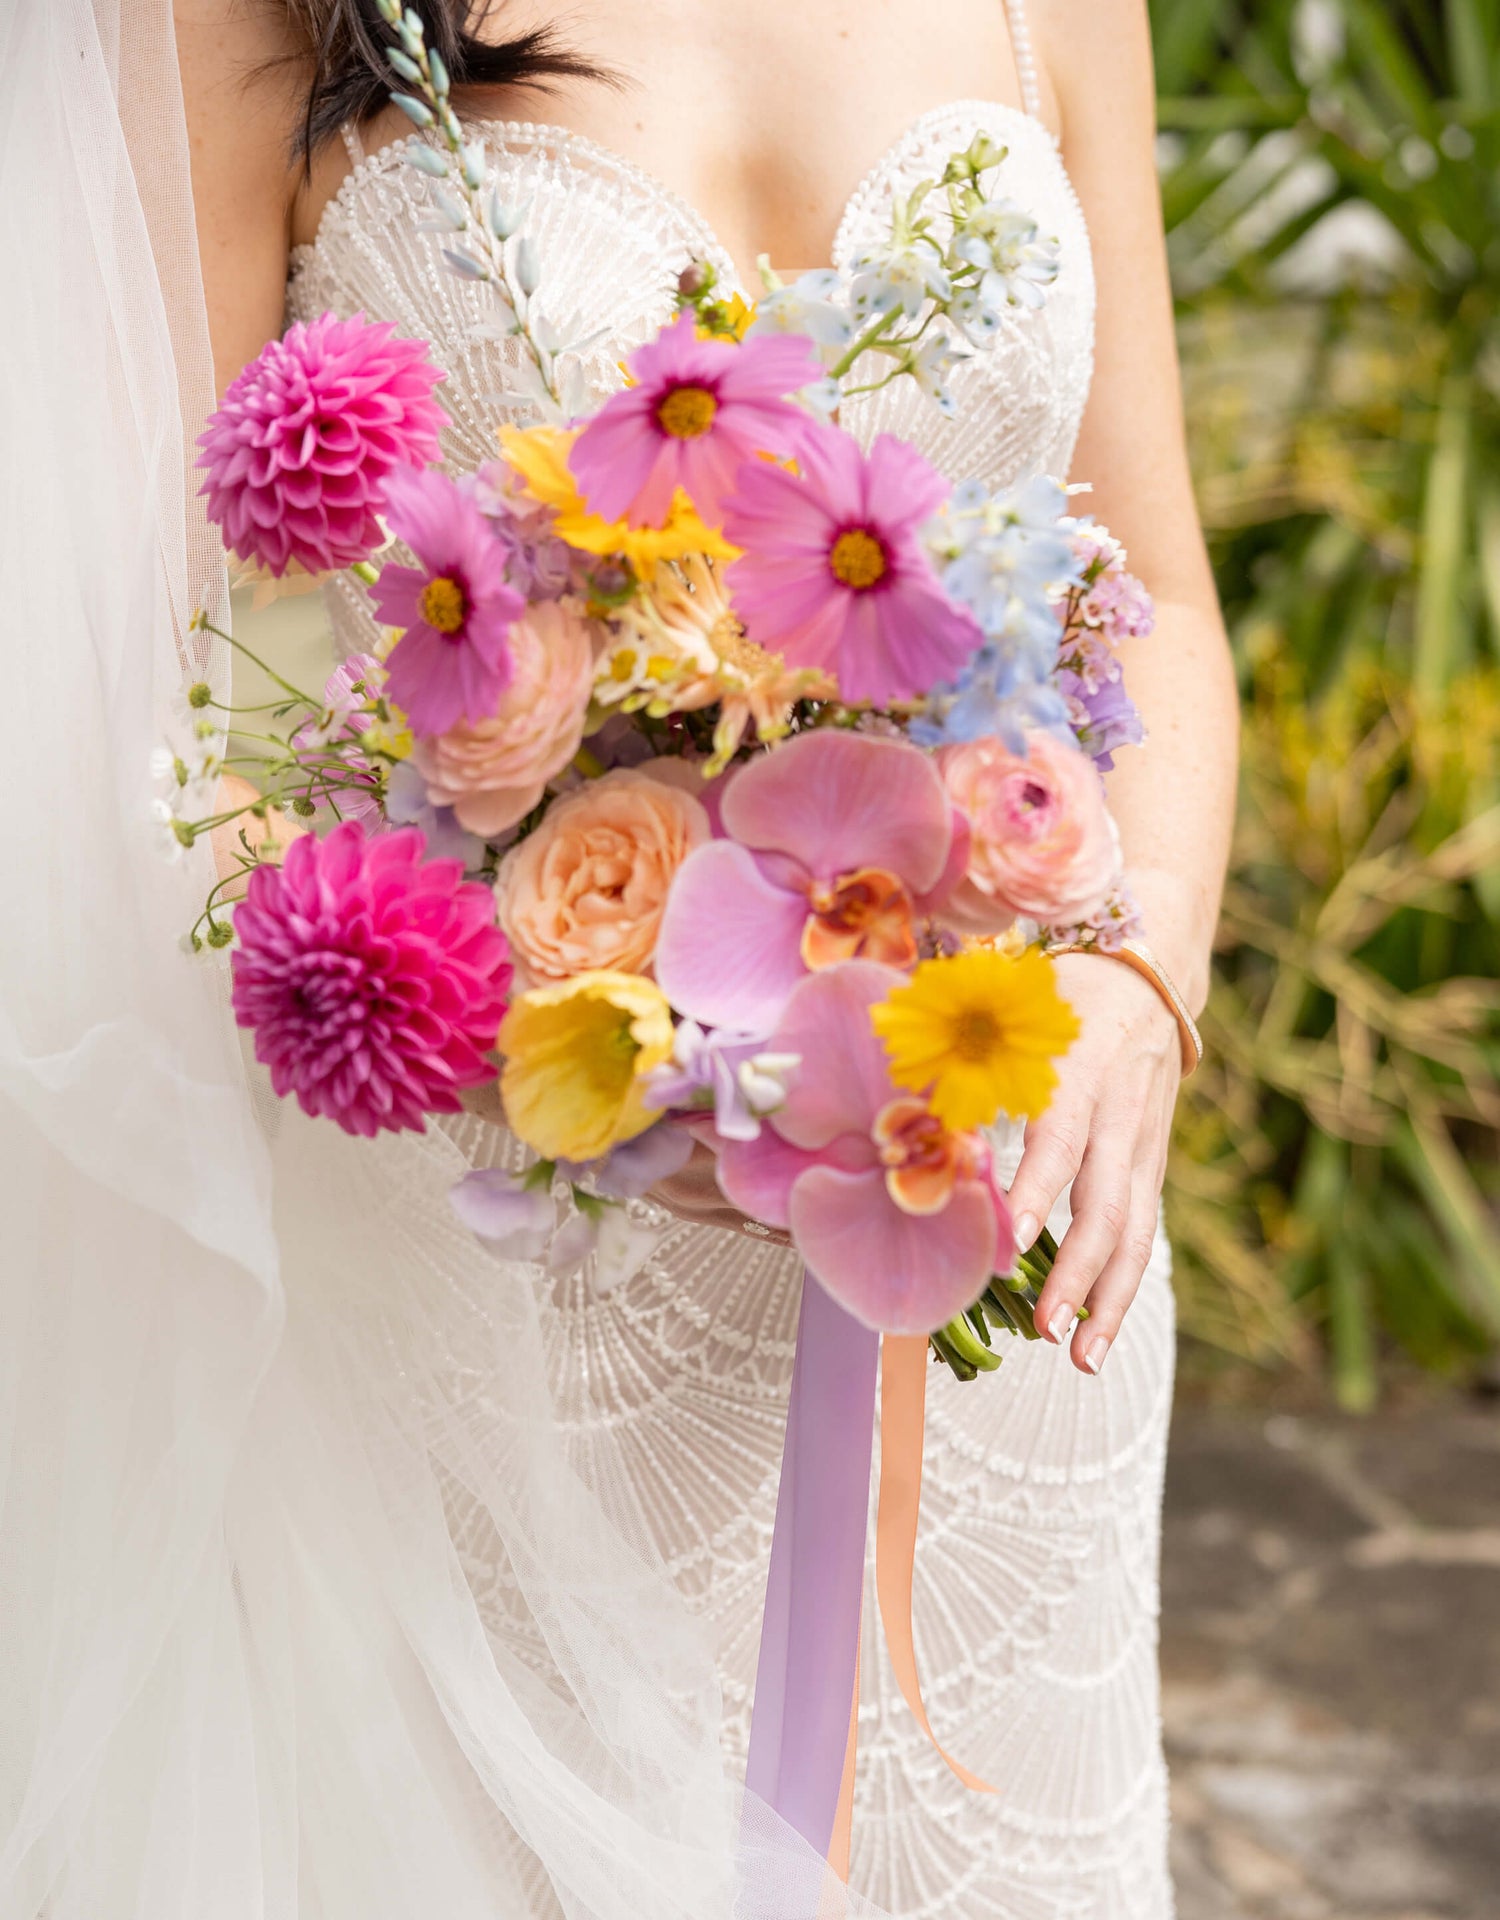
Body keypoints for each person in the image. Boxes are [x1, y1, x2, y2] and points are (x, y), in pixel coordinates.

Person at [2, 1, 1236, 1913]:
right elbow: (122, 686)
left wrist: (1141, 988)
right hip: (510, 1286)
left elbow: (1146, 587)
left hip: (985, 1222)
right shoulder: (263, 15)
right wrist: (605, 1070)